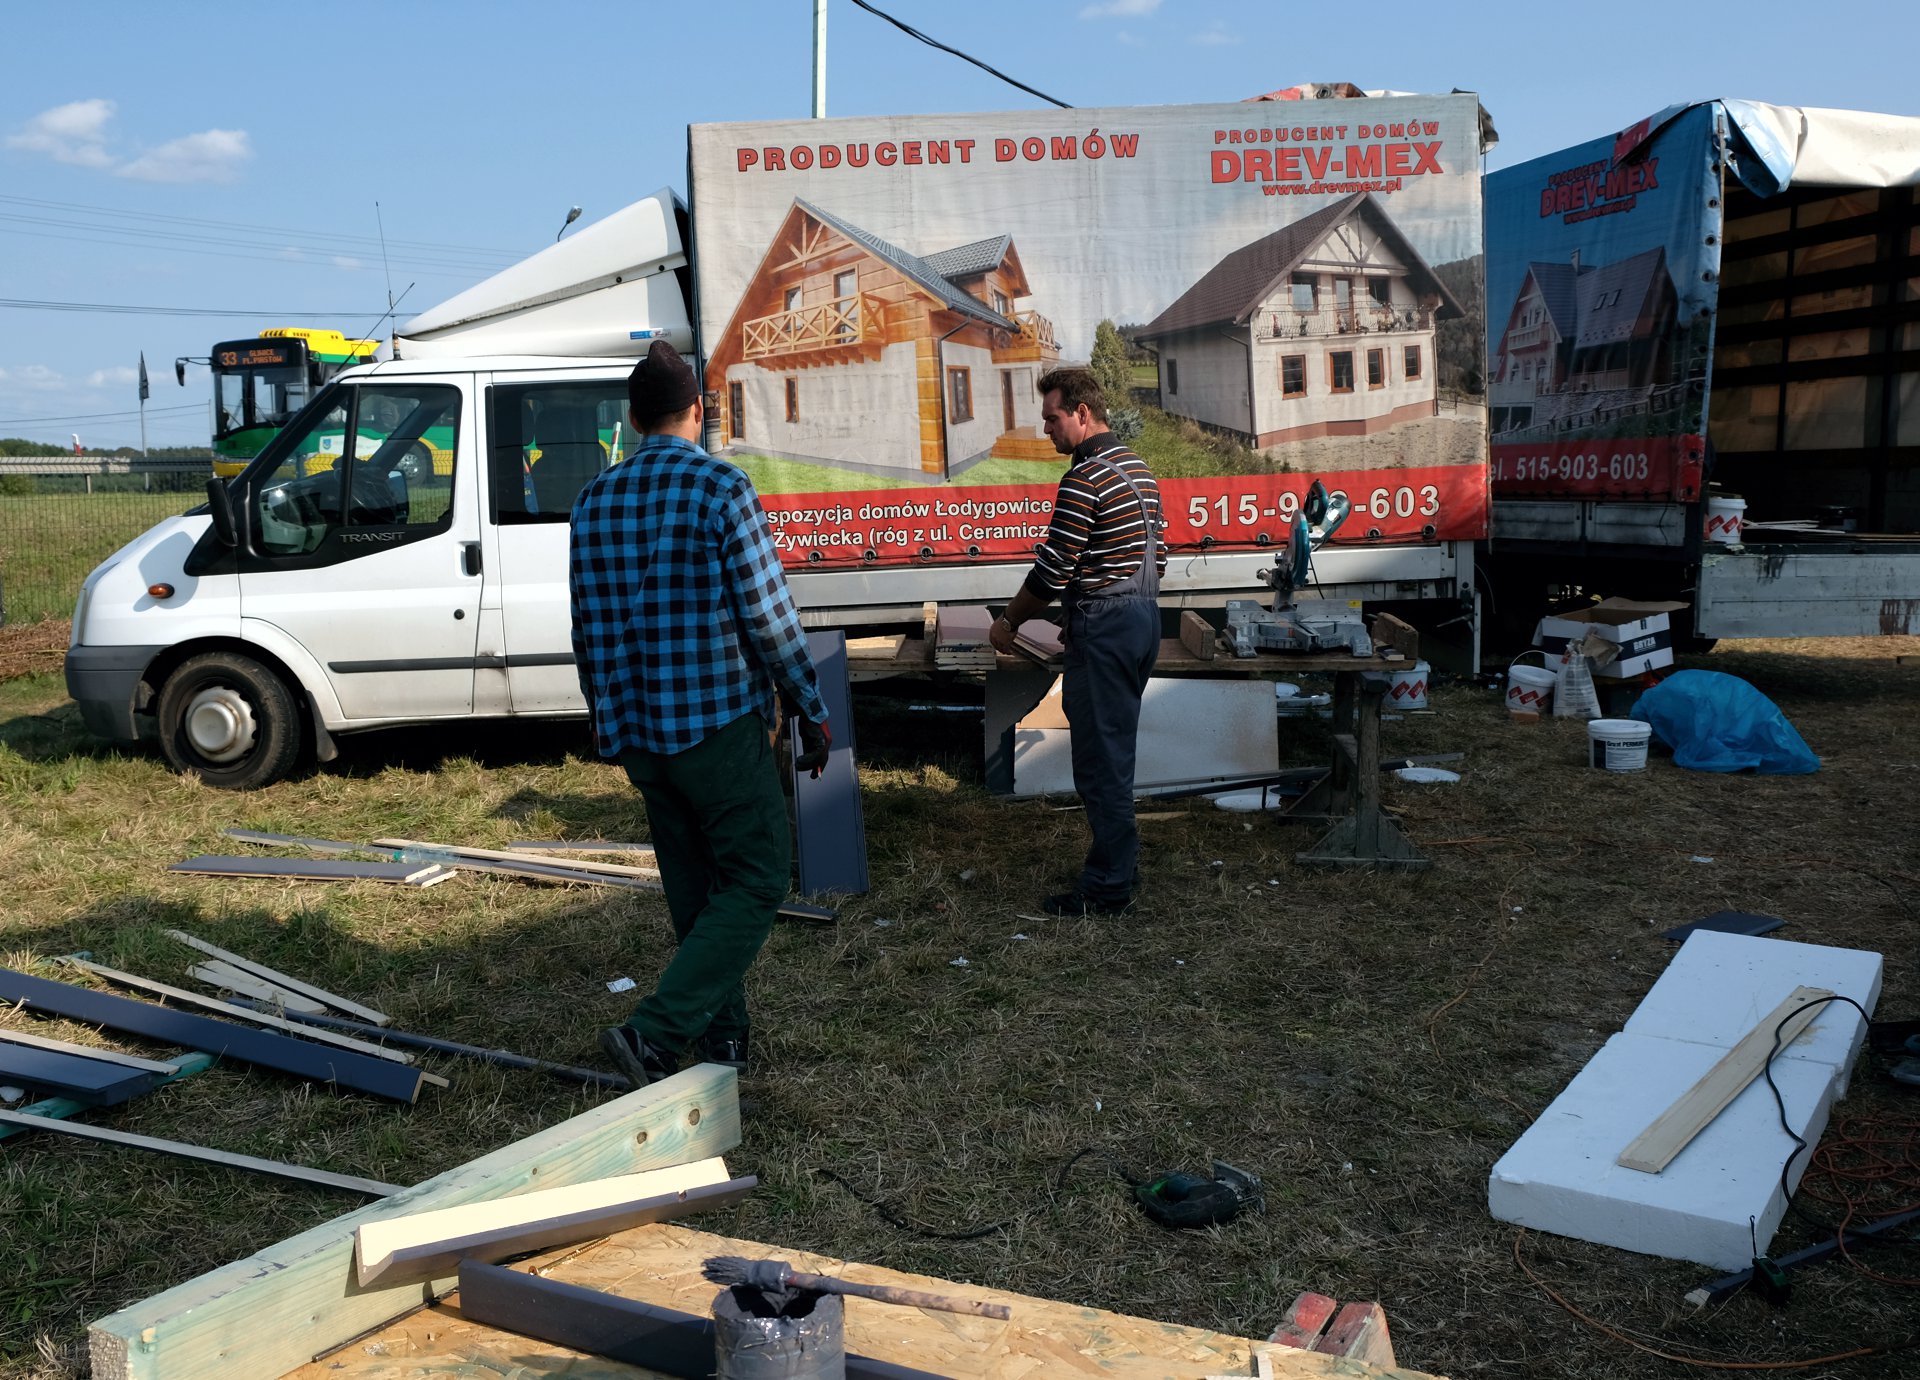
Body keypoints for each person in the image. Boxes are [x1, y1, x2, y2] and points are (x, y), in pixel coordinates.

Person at [570, 340, 830, 1086]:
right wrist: (809, 705)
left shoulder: (592, 499)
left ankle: (726, 1041)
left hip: (639, 731)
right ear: (699, 411)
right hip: (715, 725)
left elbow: (585, 627)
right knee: (757, 877)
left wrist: (603, 716)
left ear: (633, 418)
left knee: (694, 885)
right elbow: (768, 617)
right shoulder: (721, 487)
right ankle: (654, 1035)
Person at [988, 366, 1165, 916]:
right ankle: (1121, 867)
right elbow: (1154, 555)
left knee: (1099, 762)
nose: (1047, 430)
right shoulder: (1138, 467)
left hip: (1108, 629)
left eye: (1052, 418)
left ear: (1082, 413)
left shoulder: (1084, 478)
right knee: (1115, 753)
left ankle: (1108, 888)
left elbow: (1051, 571)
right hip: (1142, 619)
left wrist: (1008, 622)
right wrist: (1095, 605)